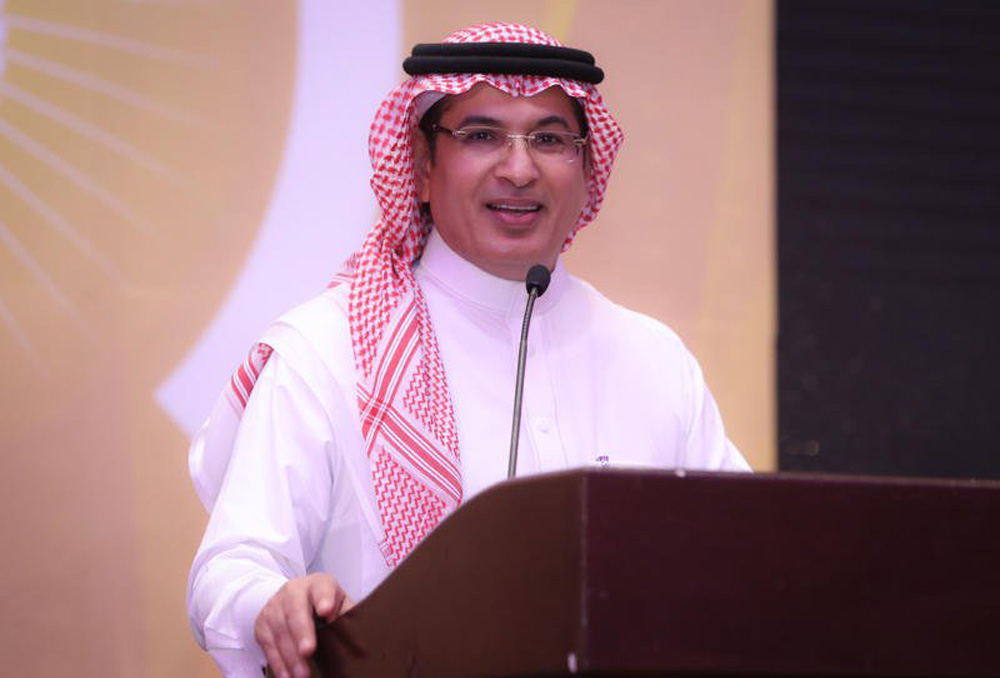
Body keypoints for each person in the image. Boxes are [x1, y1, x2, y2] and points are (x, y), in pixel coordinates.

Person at [187, 22, 750, 678]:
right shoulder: (328, 351)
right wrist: (271, 602)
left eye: (549, 139)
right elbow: (230, 568)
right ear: (423, 167)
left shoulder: (653, 361)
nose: (519, 169)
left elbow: (746, 555)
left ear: (587, 167)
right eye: (482, 135)